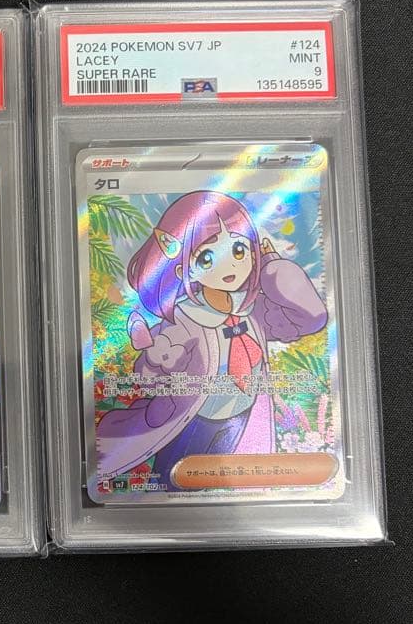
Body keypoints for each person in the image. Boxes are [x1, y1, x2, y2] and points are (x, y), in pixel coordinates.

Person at [95, 190, 328, 488]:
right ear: (183, 268)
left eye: (239, 250)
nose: (228, 266)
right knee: (174, 483)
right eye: (207, 257)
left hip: (241, 417)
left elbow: (309, 318)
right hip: (192, 420)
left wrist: (274, 269)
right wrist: (154, 353)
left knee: (227, 488)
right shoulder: (185, 319)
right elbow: (148, 377)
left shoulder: (253, 310)